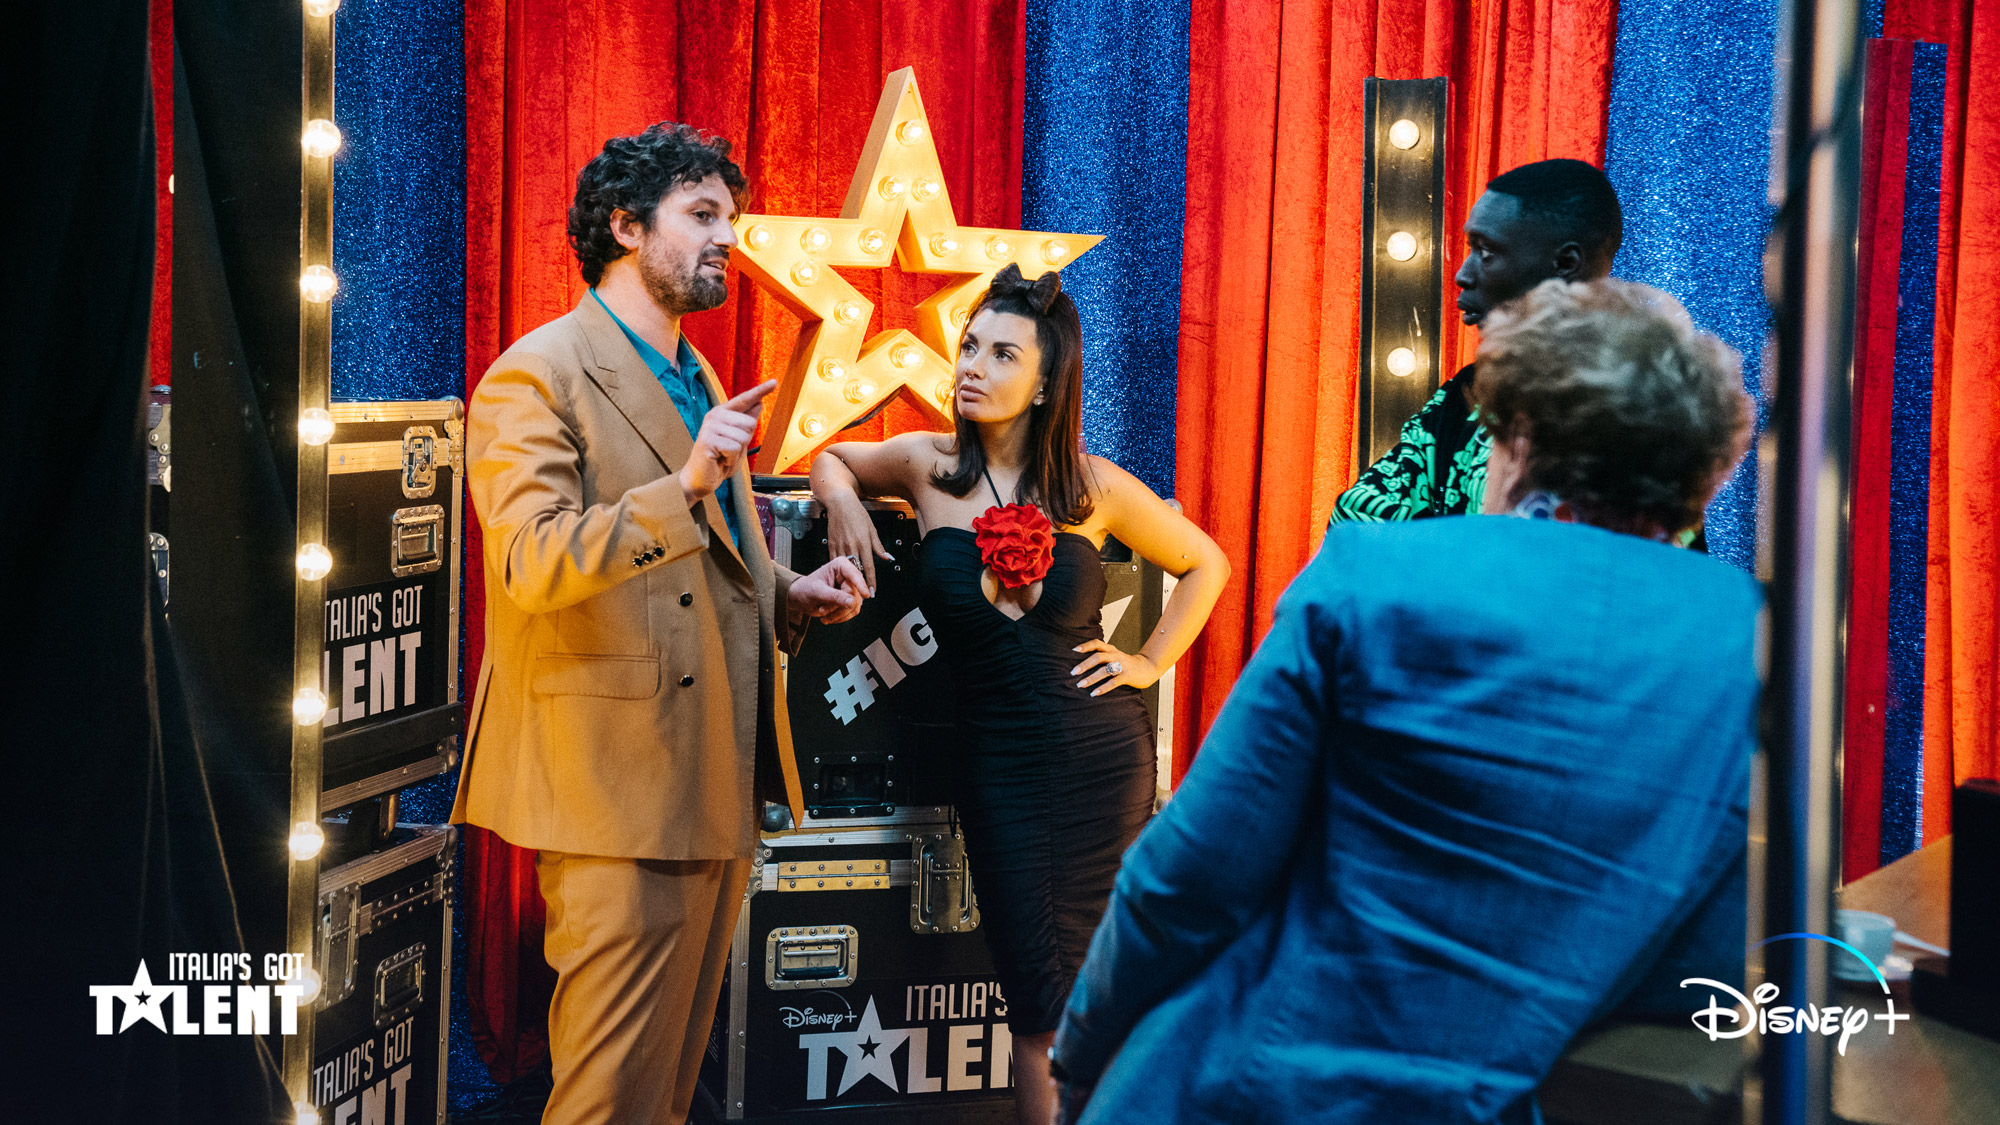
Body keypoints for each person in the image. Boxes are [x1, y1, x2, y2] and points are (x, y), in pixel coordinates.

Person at [1051, 279, 1759, 1124]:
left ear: (1518, 438)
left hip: (1267, 1085)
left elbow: (1192, 878)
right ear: (1700, 471)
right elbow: (1716, 954)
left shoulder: (1376, 573)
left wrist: (1081, 1053)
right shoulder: (1752, 638)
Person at [450, 121, 867, 1125]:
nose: (730, 235)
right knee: (604, 1093)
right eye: (704, 215)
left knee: (665, 1089)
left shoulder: (697, 374)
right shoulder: (533, 376)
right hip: (610, 783)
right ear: (625, 226)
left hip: (707, 773)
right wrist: (685, 483)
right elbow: (531, 561)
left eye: (732, 215)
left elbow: (708, 553)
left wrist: (783, 593)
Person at [809, 264, 1230, 1125]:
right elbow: (833, 457)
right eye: (969, 345)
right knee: (1037, 995)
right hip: (996, 762)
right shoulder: (928, 466)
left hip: (1100, 758)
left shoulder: (1094, 484)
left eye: (1003, 354)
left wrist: (1148, 662)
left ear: (1046, 384)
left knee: (1090, 992)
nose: (973, 365)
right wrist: (844, 503)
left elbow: (1205, 564)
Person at [1331, 158, 1623, 524]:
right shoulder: (1466, 394)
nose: (1462, 275)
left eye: (1486, 252)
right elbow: (1356, 521)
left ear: (1565, 262)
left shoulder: (1634, 410)